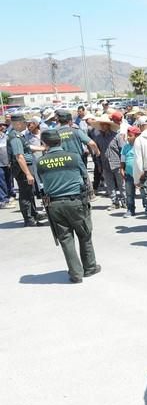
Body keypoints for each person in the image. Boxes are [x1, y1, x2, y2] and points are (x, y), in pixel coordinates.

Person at [37, 130, 100, 283]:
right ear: (60, 141)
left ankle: (76, 274)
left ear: (44, 144)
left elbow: (42, 182)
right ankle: (90, 267)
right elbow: (85, 177)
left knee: (66, 239)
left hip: (54, 204)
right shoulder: (74, 157)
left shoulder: (41, 162)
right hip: (76, 202)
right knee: (84, 235)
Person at [7, 113, 45, 226]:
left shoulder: (19, 135)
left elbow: (28, 148)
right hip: (22, 169)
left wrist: (43, 148)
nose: (26, 124)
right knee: (25, 194)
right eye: (24, 122)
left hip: (26, 167)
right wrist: (28, 173)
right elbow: (19, 156)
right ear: (18, 123)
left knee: (30, 192)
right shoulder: (15, 137)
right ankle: (29, 219)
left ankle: (33, 213)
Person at [120, 126, 141, 217]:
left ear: (136, 136)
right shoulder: (126, 147)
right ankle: (130, 209)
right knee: (129, 193)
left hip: (140, 174)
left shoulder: (140, 146)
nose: (128, 137)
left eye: (130, 135)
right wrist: (121, 169)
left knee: (145, 192)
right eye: (127, 135)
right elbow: (123, 159)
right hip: (128, 174)